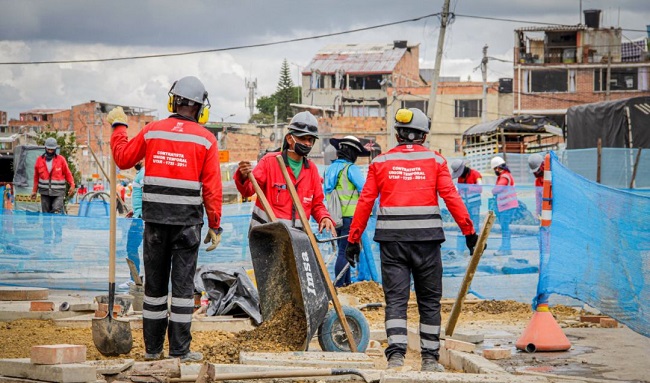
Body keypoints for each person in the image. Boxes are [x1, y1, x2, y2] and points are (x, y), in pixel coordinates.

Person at [345, 108, 478, 372]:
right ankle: (430, 359)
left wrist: (353, 239)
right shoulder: (437, 161)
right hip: (427, 242)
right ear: (424, 135)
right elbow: (452, 198)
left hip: (392, 243)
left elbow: (365, 202)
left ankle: (396, 358)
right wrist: (469, 232)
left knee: (395, 300)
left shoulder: (380, 163)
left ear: (397, 133)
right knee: (429, 300)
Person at [108, 75, 223, 363]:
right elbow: (212, 187)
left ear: (172, 101)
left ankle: (152, 350)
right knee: (183, 291)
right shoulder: (206, 139)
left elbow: (122, 158)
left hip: (155, 225)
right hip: (188, 227)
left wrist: (119, 126)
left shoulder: (152, 132)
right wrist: (216, 224)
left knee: (154, 291)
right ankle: (181, 352)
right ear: (201, 109)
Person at [235, 111, 335, 235]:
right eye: (302, 138)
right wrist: (243, 176)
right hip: (265, 235)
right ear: (289, 138)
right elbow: (248, 190)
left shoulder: (312, 170)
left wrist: (324, 217)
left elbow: (317, 204)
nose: (307, 143)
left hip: (296, 237)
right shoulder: (269, 162)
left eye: (310, 139)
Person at [323, 136, 370, 287]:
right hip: (351, 216)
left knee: (342, 250)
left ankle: (346, 284)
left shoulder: (329, 170)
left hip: (335, 217)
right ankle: (339, 285)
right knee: (345, 251)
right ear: (351, 153)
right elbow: (365, 191)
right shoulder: (351, 169)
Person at [31, 137, 76, 243]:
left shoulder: (61, 160)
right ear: (45, 148)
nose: (50, 151)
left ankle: (58, 237)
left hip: (58, 193)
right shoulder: (39, 161)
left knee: (56, 213)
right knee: (46, 216)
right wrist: (34, 191)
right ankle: (47, 237)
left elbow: (68, 173)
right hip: (45, 192)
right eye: (48, 149)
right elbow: (36, 177)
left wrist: (72, 185)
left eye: (52, 149)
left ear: (55, 149)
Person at [119, 162, 145, 290]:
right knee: (132, 248)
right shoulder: (140, 173)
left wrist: (141, 213)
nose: (134, 161)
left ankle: (135, 279)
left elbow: (148, 196)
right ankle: (135, 278)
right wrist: (135, 210)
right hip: (138, 216)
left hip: (142, 219)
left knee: (132, 248)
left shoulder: (145, 172)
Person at [450, 159, 483, 255]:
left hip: (474, 205)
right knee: (463, 227)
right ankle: (460, 250)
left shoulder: (476, 174)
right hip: (464, 207)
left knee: (475, 226)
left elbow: (480, 188)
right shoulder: (460, 178)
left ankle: (475, 250)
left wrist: (468, 187)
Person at [490, 156, 518, 256]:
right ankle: (505, 247)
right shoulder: (506, 175)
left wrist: (493, 190)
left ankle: (505, 249)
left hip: (507, 206)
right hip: (506, 206)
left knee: (505, 229)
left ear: (498, 168)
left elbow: (497, 189)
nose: (495, 171)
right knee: (504, 228)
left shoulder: (504, 177)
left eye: (494, 169)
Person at [528, 153, 544, 218]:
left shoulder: (553, 176)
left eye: (538, 170)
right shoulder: (538, 181)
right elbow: (538, 199)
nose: (536, 173)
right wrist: (537, 213)